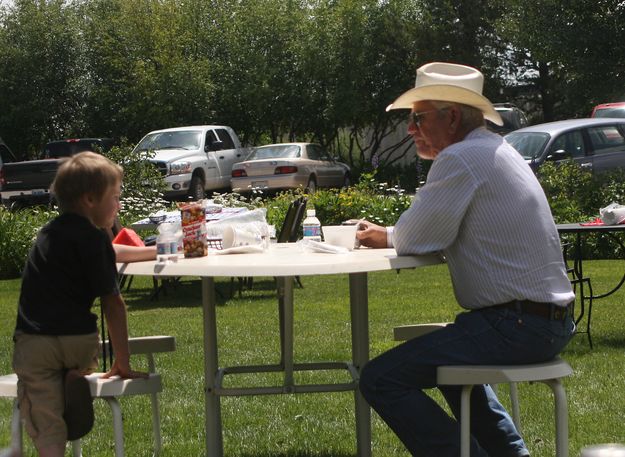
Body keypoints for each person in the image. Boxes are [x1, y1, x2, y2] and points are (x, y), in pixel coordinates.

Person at [356, 62, 575, 456]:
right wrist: (390, 235)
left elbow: (416, 237)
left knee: (380, 378)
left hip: (517, 324)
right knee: (446, 358)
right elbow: (431, 232)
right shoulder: (495, 149)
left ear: (452, 117)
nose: (410, 130)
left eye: (418, 118)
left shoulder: (460, 157)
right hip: (544, 321)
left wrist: (391, 235)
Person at [12, 151, 147, 457]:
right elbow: (113, 302)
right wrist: (122, 361)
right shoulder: (97, 240)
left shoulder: (45, 236)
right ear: (90, 199)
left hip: (35, 342)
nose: (119, 205)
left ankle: (51, 445)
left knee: (43, 410)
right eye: (114, 197)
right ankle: (76, 372)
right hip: (80, 341)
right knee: (73, 360)